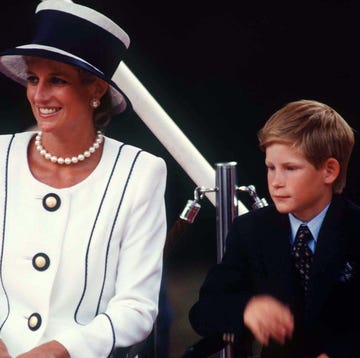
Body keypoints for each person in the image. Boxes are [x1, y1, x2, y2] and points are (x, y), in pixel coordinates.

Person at [0, 0, 167, 357]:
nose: (39, 94)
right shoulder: (0, 157)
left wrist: (64, 349)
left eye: (56, 80)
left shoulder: (140, 172)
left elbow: (137, 307)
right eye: (33, 78)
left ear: (96, 89)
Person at [189, 99, 360, 358]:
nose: (276, 182)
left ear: (329, 170)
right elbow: (204, 311)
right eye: (271, 168)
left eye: (290, 168)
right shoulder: (251, 230)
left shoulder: (355, 229)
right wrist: (247, 308)